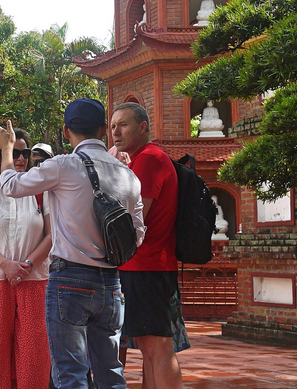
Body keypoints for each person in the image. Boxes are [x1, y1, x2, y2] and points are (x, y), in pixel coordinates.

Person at [0, 98, 144, 389]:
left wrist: (6, 149)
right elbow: (137, 235)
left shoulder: (63, 165)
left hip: (70, 280)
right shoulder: (128, 175)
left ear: (66, 131)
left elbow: (11, 185)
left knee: (71, 375)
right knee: (111, 374)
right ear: (103, 129)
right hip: (111, 283)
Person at [0, 128, 52, 389]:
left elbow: (52, 235)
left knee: (35, 354)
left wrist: (27, 265)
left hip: (35, 280)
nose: (21, 158)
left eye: (25, 153)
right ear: (0, 155)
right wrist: (5, 264)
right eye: (14, 152)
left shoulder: (41, 193)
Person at [110, 102, 182, 389]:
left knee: (157, 347)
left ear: (142, 127)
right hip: (143, 266)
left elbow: (132, 218)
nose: (116, 132)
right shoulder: (141, 158)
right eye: (113, 125)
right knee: (151, 349)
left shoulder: (149, 158)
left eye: (123, 125)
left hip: (147, 265)